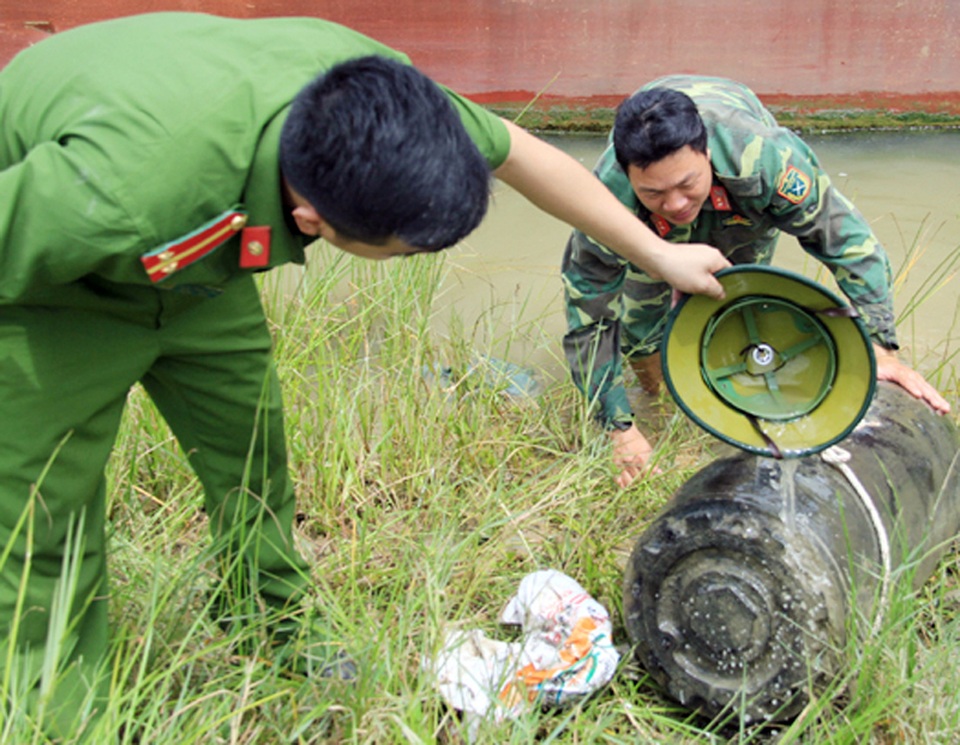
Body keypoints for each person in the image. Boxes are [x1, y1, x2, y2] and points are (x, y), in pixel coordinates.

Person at [0, 13, 730, 737]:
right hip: (53, 284)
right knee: (44, 511)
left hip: (199, 262)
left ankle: (273, 624)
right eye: (405, 250)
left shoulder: (381, 96)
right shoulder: (109, 196)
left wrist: (658, 255)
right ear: (313, 217)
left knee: (250, 451)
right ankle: (56, 707)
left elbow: (522, 154)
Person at [561, 75, 951, 489]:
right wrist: (618, 427)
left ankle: (743, 394)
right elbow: (588, 304)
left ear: (706, 153)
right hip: (646, 223)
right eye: (655, 193)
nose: (675, 204)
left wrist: (880, 347)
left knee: (740, 295)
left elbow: (849, 244)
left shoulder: (767, 161)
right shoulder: (608, 197)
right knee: (640, 327)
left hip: (737, 195)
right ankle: (662, 402)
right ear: (629, 175)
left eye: (686, 184)